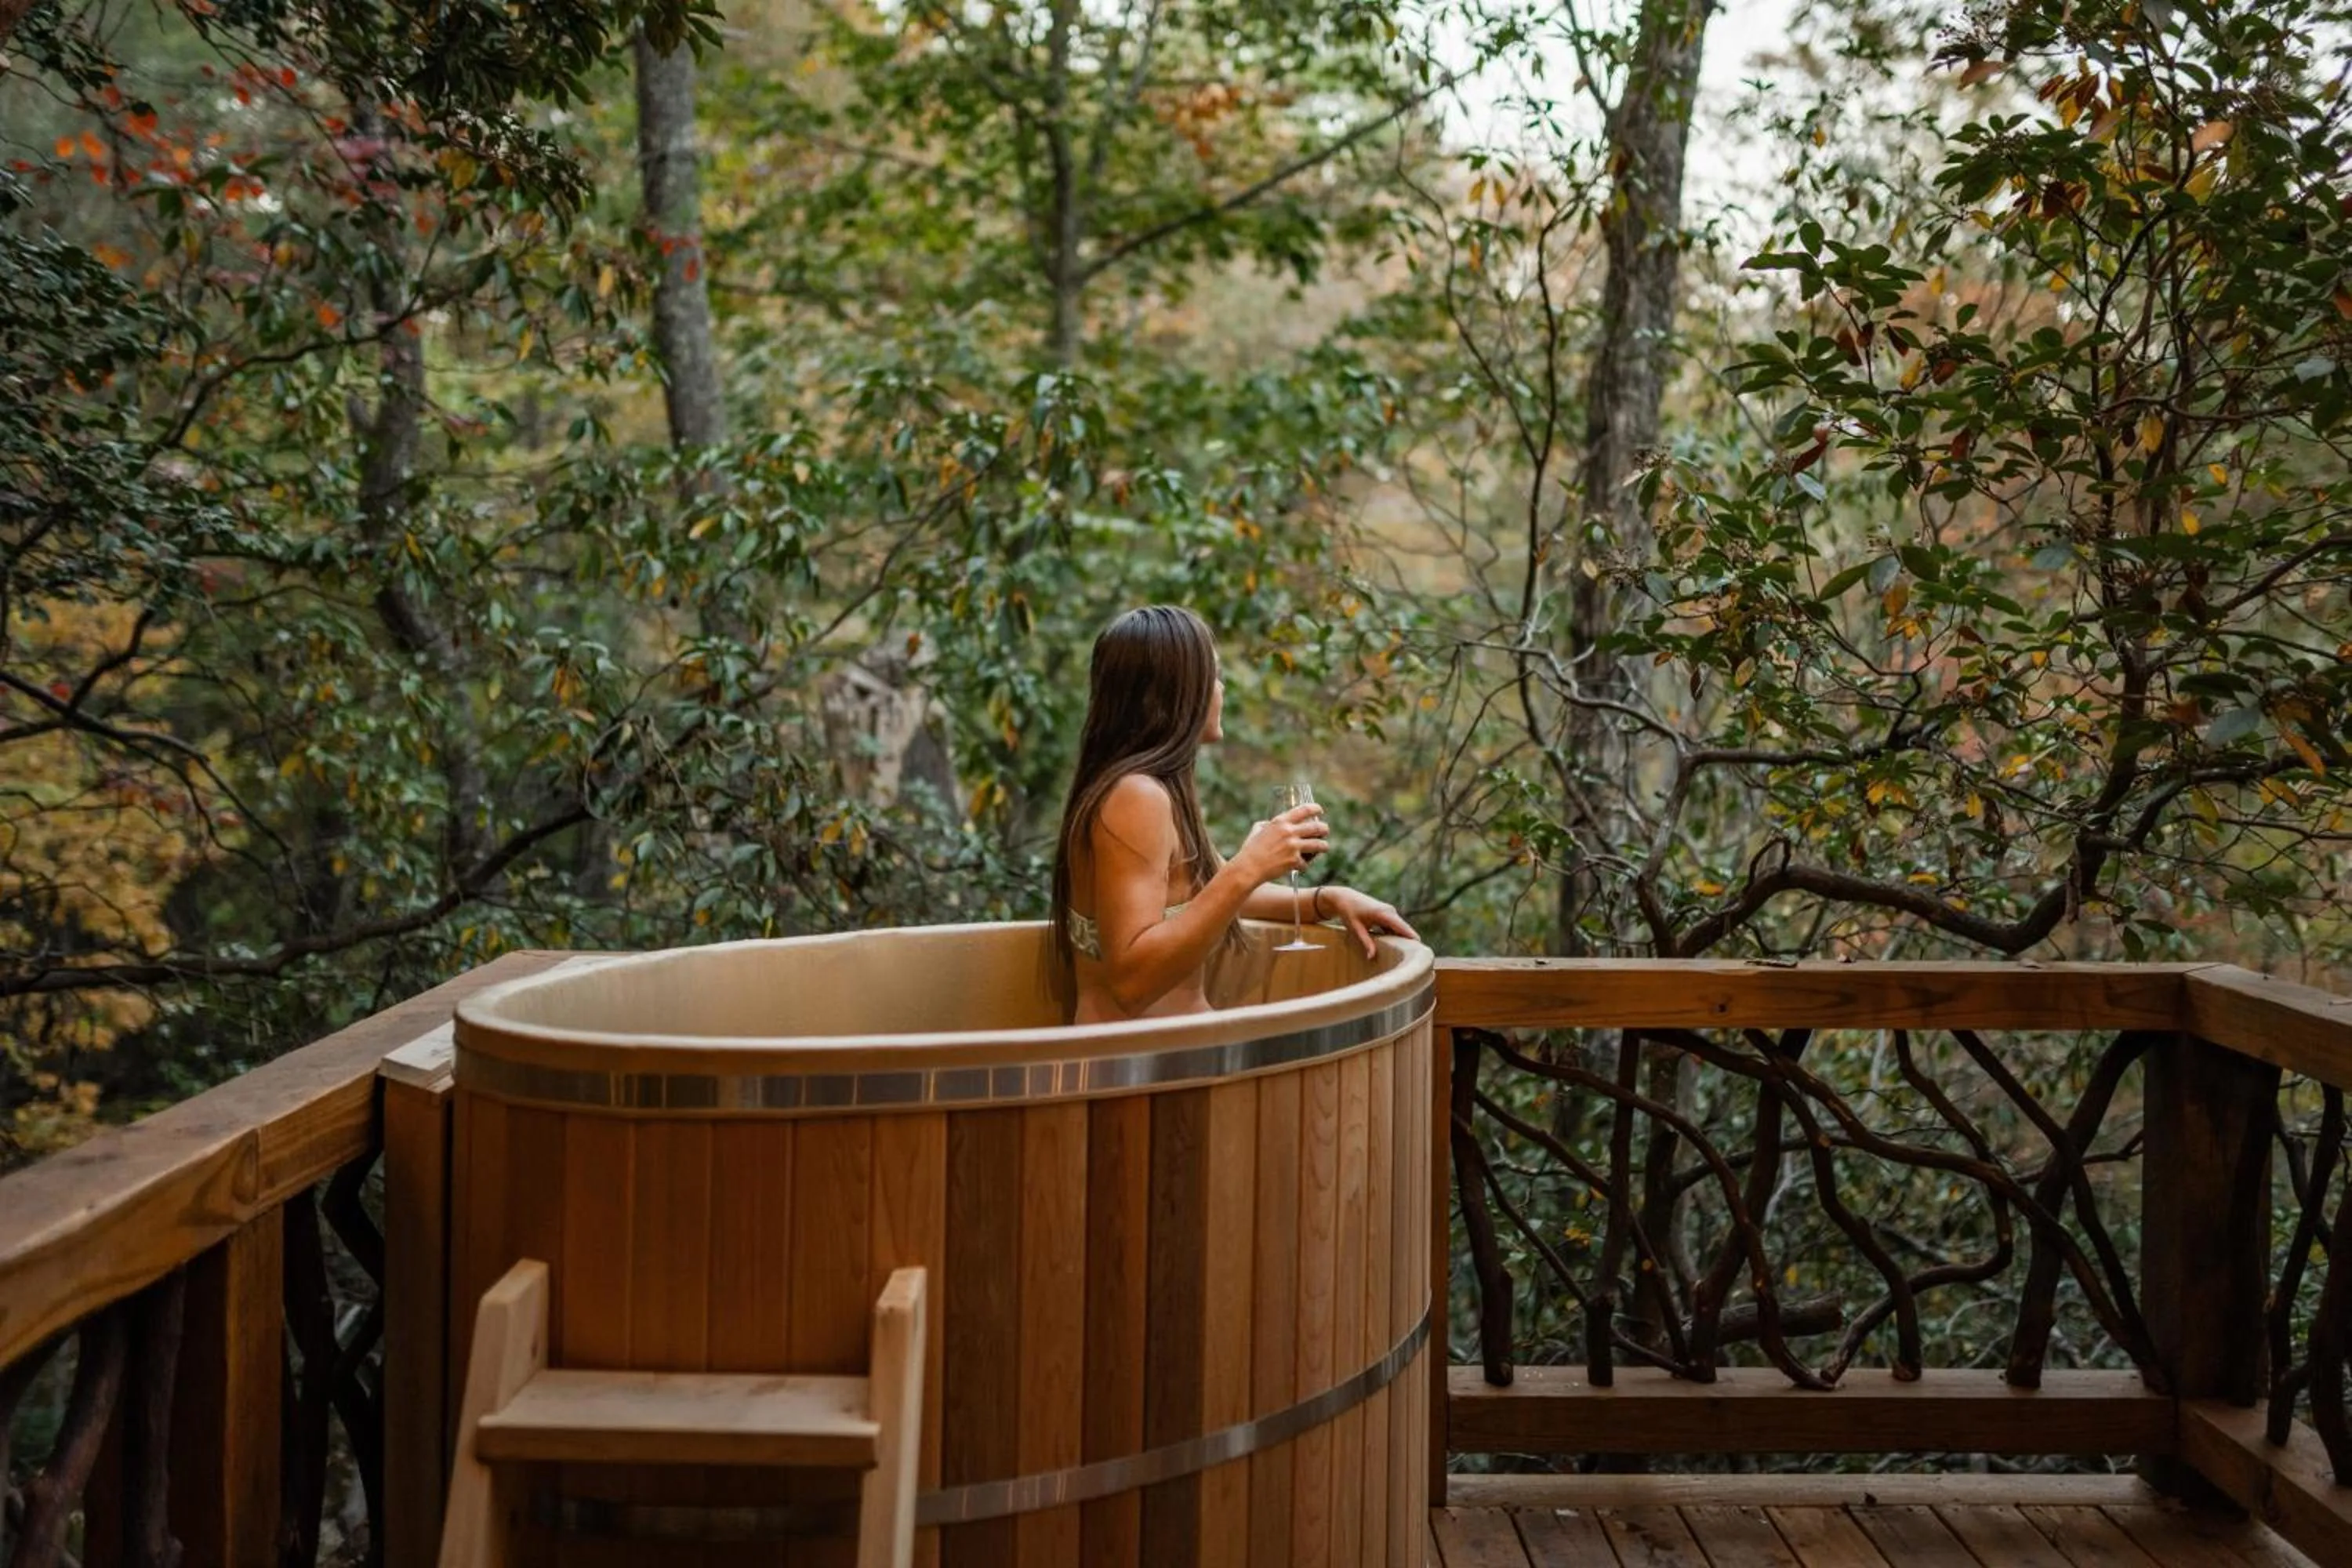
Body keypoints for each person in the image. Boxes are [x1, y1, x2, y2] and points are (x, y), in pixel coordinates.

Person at [1048, 604, 1420, 1024]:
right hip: (1140, 1075)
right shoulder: (1135, 797)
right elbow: (1132, 982)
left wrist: (1328, 899)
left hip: (1172, 1062)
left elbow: (1207, 896)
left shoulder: (1150, 789)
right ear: (1178, 691)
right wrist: (1249, 865)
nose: (1221, 689)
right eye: (1214, 676)